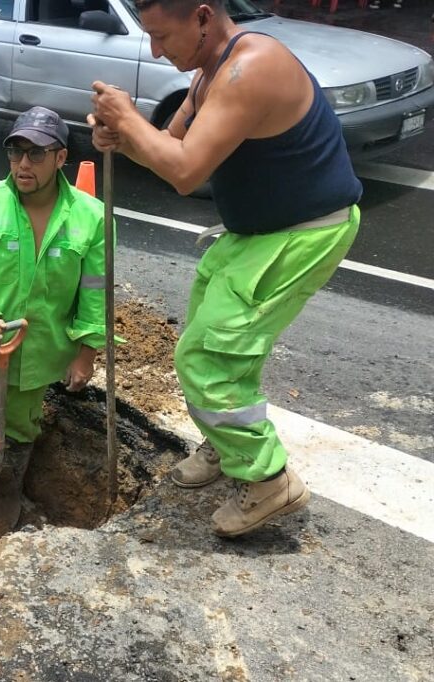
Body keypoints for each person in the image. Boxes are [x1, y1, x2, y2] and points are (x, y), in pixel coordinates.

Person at [88, 0, 362, 537]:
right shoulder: (210, 70)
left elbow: (185, 172)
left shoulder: (250, 67)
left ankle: (268, 481)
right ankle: (225, 440)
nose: (156, 50)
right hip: (256, 231)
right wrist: (122, 134)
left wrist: (129, 121)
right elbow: (168, 146)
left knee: (209, 355)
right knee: (209, 332)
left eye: (163, 36)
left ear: (204, 18)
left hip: (302, 231)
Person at [0, 106, 109, 526]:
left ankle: (7, 493)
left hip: (39, 355)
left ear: (60, 157)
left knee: (20, 431)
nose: (23, 164)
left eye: (36, 154)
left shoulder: (92, 217)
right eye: (15, 153)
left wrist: (86, 354)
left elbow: (95, 294)